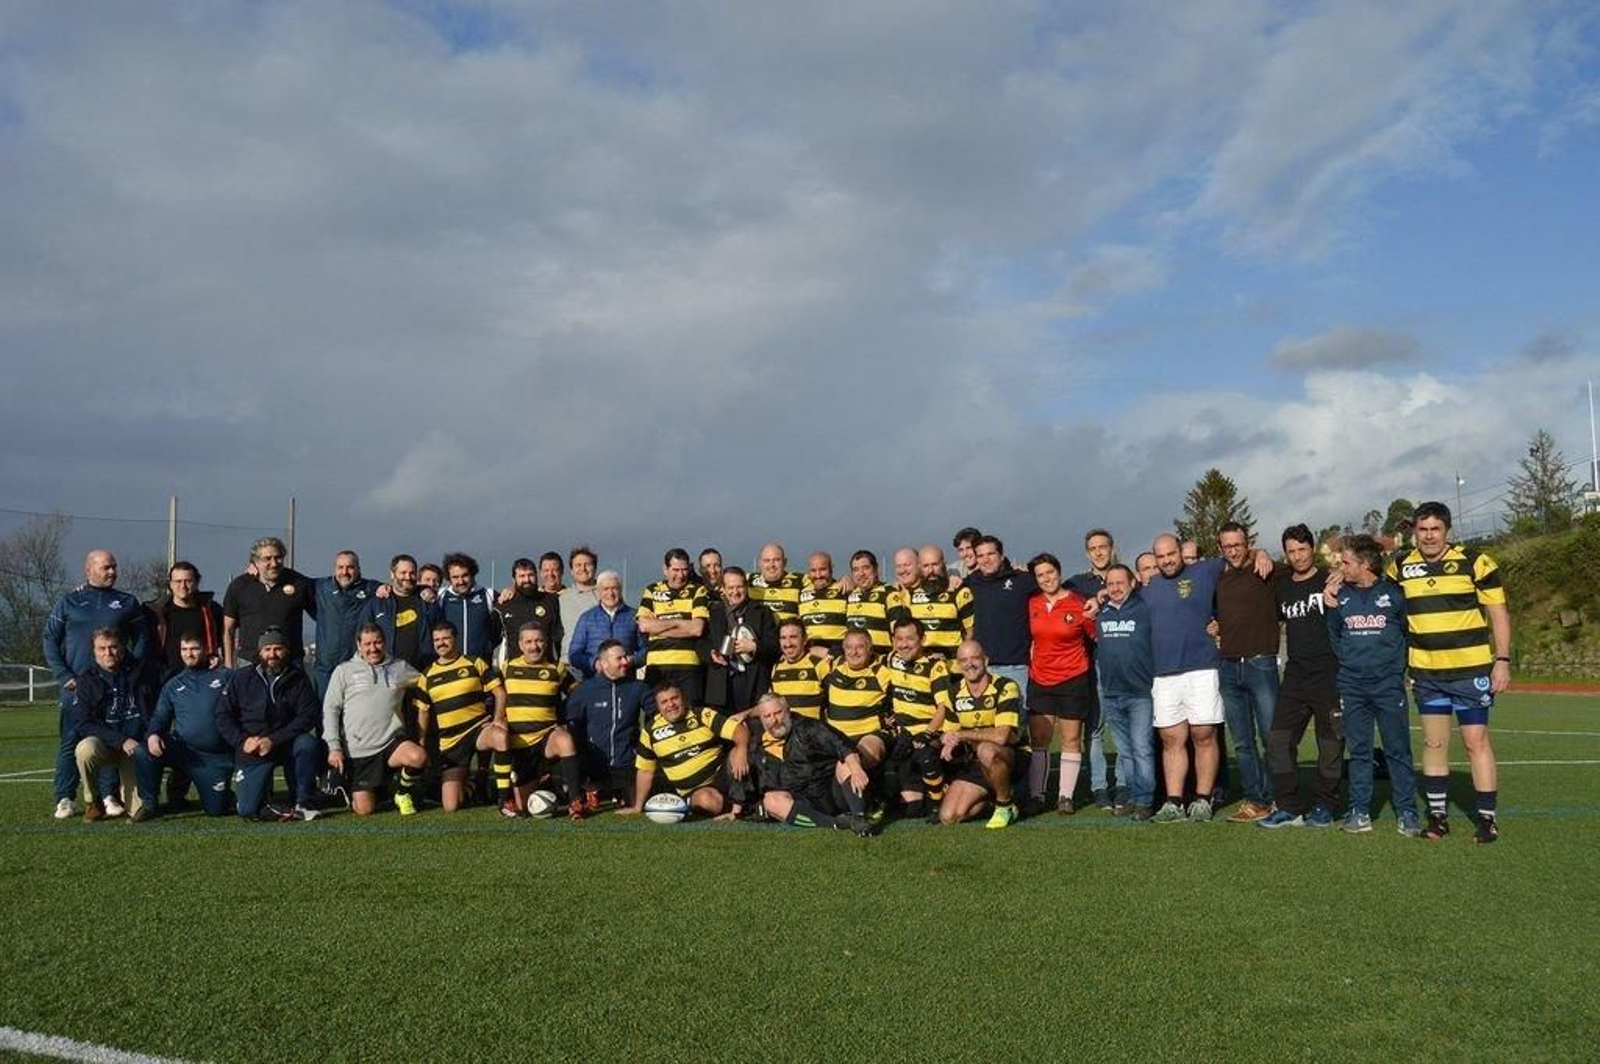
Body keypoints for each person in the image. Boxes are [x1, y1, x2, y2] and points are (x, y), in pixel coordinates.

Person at [1386, 501, 1511, 844]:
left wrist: (1502, 659)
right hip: (1426, 672)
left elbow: (1498, 612)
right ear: (1414, 531)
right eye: (1422, 530)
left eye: (1435, 529)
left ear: (1447, 531)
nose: (1428, 536)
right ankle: (1438, 817)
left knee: (1475, 742)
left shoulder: (1475, 562)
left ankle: (1487, 820)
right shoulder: (1399, 566)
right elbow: (1382, 601)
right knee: (1434, 742)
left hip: (1470, 671)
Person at [1144, 533, 1271, 823]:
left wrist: (1261, 554)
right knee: (1171, 738)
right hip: (1164, 674)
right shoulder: (1148, 587)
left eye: (1171, 554)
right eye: (1161, 556)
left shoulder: (1203, 571)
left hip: (1202, 668)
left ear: (1180, 551)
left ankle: (1203, 798)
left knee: (1204, 734)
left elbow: (1236, 552)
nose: (1167, 560)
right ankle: (1174, 801)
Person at [1325, 535, 1418, 836]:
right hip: (1352, 686)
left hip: (1388, 686)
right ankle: (1360, 812)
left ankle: (1407, 812)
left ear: (1364, 564)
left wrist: (1393, 671)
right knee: (1360, 751)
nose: (1342, 566)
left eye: (1347, 561)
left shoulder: (1394, 595)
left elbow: (1407, 633)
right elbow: (1335, 636)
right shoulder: (1339, 597)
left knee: (1397, 750)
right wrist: (1353, 665)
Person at [43, 549, 147, 819]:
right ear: (89, 570)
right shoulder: (69, 601)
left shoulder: (127, 602)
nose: (112, 572)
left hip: (116, 686)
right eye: (106, 568)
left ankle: (110, 794)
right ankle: (65, 797)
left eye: (114, 567)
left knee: (112, 736)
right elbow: (49, 641)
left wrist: (130, 672)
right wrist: (65, 676)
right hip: (76, 687)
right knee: (71, 742)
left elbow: (143, 639)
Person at [1258, 525, 1343, 829]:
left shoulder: (1331, 580)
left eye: (1302, 549)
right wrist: (1261, 552)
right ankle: (1289, 807)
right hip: (1295, 674)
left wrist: (1342, 573)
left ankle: (1325, 805)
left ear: (1312, 548)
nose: (1297, 557)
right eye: (1291, 551)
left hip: (1330, 673)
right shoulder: (1283, 585)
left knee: (1330, 744)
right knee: (1278, 741)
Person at [216, 627, 323, 821]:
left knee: (307, 743)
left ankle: (303, 801)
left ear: (286, 651)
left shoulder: (298, 678)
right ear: (259, 652)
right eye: (267, 649)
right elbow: (223, 716)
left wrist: (273, 740)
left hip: (286, 743)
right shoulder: (241, 678)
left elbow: (308, 716)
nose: (272, 654)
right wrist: (242, 741)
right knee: (248, 810)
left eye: (278, 648)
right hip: (253, 747)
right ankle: (271, 804)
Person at [323, 624, 428, 817]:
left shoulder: (399, 667)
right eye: (367, 644)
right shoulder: (344, 671)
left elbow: (426, 682)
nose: (373, 648)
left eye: (378, 642)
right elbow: (330, 709)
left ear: (385, 642)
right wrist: (334, 747)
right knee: (365, 810)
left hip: (391, 743)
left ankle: (401, 792)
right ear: (359, 645)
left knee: (417, 757)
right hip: (359, 751)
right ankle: (367, 788)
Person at [1213, 522, 1279, 823]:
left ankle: (1278, 797)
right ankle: (1255, 800)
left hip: (1260, 663)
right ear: (1220, 548)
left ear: (1248, 543)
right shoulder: (1216, 577)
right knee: (1242, 740)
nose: (1233, 551)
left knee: (1270, 736)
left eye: (1238, 545)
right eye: (1227, 546)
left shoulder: (1265, 569)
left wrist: (1263, 553)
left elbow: (1304, 574)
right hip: (1228, 666)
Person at [411, 620, 509, 813]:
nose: (441, 643)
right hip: (451, 742)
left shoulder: (474, 662)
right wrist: (421, 742)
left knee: (500, 736)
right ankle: (476, 785)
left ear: (455, 639)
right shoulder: (427, 676)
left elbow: (500, 693)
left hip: (478, 728)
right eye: (436, 640)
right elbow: (423, 712)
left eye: (446, 638)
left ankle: (505, 799)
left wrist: (497, 719)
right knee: (451, 805)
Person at [1025, 552, 1097, 815]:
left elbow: (1096, 636)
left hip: (1073, 679)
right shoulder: (1031, 602)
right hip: (1040, 679)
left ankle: (1065, 797)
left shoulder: (1078, 603)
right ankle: (1036, 795)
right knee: (1040, 739)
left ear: (1059, 571)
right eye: (1040, 575)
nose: (1046, 578)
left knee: (1070, 738)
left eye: (1050, 572)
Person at [963, 535, 1037, 783]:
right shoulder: (971, 582)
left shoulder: (1022, 580)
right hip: (983, 671)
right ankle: (991, 785)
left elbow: (1053, 586)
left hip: (1016, 668)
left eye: (990, 554)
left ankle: (1024, 790)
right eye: (980, 555)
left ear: (1002, 554)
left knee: (1016, 733)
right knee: (986, 732)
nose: (985, 560)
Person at [619, 682, 751, 819]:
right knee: (708, 801)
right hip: (697, 791)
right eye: (664, 702)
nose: (671, 704)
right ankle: (740, 804)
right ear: (658, 707)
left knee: (738, 751)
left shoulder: (701, 714)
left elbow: (738, 731)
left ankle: (743, 802)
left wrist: (741, 749)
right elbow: (645, 771)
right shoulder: (650, 731)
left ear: (683, 698)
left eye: (674, 698)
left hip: (723, 776)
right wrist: (638, 806)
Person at [749, 693, 875, 836]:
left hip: (834, 792)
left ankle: (859, 818)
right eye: (768, 716)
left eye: (778, 713)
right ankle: (835, 823)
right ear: (761, 719)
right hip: (805, 802)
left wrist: (857, 770)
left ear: (787, 710)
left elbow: (842, 744)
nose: (774, 720)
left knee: (846, 763)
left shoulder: (809, 727)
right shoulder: (757, 744)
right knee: (771, 801)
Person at [495, 625, 583, 821]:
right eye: (528, 642)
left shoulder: (556, 668)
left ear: (546, 642)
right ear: (520, 645)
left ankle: (575, 802)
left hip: (546, 737)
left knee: (565, 740)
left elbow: (578, 695)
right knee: (523, 806)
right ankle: (546, 781)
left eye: (539, 641)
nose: (534, 646)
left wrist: (564, 721)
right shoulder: (507, 667)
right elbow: (494, 695)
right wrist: (496, 719)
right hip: (520, 745)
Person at [934, 640, 1025, 829]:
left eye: (975, 658)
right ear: (958, 665)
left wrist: (962, 735)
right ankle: (993, 798)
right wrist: (948, 740)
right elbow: (950, 731)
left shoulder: (1005, 686)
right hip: (976, 760)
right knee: (948, 817)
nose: (969, 664)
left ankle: (1004, 805)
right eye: (963, 660)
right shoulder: (953, 692)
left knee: (987, 749)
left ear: (986, 660)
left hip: (1011, 755)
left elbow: (1002, 736)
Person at [68, 628, 154, 823]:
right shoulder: (86, 680)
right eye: (102, 648)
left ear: (123, 648)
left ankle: (129, 797)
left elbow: (172, 677)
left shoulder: (142, 671)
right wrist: (121, 740)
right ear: (94, 651)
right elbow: (83, 723)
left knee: (139, 812)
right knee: (85, 749)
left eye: (113, 647)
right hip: (106, 745)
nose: (108, 653)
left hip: (135, 749)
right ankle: (93, 801)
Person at [145, 634, 234, 817]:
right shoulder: (173, 685)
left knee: (217, 810)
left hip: (215, 756)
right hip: (185, 751)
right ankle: (149, 804)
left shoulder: (225, 676)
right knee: (142, 750)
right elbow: (160, 717)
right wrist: (153, 734)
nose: (189, 654)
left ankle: (222, 794)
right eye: (184, 649)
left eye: (194, 648)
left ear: (206, 650)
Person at [1093, 564, 1157, 820]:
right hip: (1111, 692)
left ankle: (1145, 800)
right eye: (1111, 584)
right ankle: (1132, 794)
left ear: (1132, 583)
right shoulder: (1102, 612)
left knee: (1142, 748)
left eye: (1121, 582)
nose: (1116, 588)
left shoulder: (1144, 608)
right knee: (1126, 751)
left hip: (1139, 691)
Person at [565, 640, 655, 807]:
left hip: (626, 764)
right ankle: (588, 788)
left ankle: (615, 792)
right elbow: (570, 725)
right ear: (604, 663)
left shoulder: (639, 688)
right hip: (593, 765)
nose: (625, 662)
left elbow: (657, 717)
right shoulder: (584, 690)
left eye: (625, 657)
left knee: (636, 802)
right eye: (619, 658)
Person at [1066, 529, 1118, 810]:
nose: (1099, 552)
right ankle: (1099, 787)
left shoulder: (1125, 577)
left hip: (1123, 662)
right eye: (1093, 548)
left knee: (1123, 728)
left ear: (1112, 548)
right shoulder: (1075, 583)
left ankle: (1123, 785)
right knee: (1095, 728)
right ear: (1087, 553)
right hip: (1091, 661)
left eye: (1103, 546)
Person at [882, 617, 954, 819]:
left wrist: (927, 733)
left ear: (922, 639)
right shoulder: (890, 659)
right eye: (899, 639)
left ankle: (938, 799)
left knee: (926, 755)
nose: (903, 644)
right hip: (903, 735)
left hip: (928, 732)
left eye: (910, 639)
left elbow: (943, 707)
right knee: (911, 810)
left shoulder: (935, 666)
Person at [221, 537, 311, 669]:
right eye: (267, 559)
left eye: (278, 557)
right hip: (249, 663)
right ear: (255, 561)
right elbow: (228, 629)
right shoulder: (239, 586)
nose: (274, 563)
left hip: (290, 663)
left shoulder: (299, 583)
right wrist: (229, 666)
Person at [636, 548, 710, 704]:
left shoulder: (697, 590)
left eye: (684, 570)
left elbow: (697, 629)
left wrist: (660, 627)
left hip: (688, 666)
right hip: (657, 667)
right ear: (665, 569)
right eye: (675, 570)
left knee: (691, 714)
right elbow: (644, 626)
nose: (681, 575)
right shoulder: (652, 590)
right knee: (657, 716)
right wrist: (679, 622)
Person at [822, 628, 896, 781]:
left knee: (848, 765)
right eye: (849, 647)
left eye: (860, 647)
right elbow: (811, 652)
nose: (853, 652)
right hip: (836, 738)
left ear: (870, 649)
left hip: (868, 735)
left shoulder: (882, 673)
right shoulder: (834, 666)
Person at [309, 551, 382, 699]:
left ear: (358, 569)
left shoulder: (371, 588)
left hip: (357, 667)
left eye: (350, 567)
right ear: (334, 569)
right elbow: (292, 579)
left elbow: (400, 590)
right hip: (325, 669)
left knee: (355, 715)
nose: (345, 572)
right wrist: (255, 567)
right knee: (325, 715)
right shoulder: (321, 587)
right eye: (340, 567)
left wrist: (423, 590)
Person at [705, 567, 779, 714]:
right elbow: (702, 643)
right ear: (724, 590)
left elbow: (775, 646)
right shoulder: (714, 613)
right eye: (730, 588)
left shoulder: (762, 612)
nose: (735, 592)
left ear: (746, 587)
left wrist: (755, 646)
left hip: (753, 683)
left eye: (739, 587)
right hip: (721, 685)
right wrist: (711, 654)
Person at [889, 547, 975, 660]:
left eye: (935, 564)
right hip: (924, 667)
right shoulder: (907, 596)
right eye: (926, 566)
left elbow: (970, 631)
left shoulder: (959, 592)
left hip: (953, 665)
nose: (931, 570)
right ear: (920, 567)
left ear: (944, 565)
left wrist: (963, 657)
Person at [361, 554, 439, 670]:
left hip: (423, 672)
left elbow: (440, 631)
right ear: (392, 574)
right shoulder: (376, 603)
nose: (408, 577)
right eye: (403, 573)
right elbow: (361, 636)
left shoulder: (427, 601)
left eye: (412, 573)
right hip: (386, 673)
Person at [146, 561, 224, 678]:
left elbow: (224, 637)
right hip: (166, 676)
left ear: (197, 583)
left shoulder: (211, 610)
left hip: (203, 675)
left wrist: (218, 658)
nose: (183, 586)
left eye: (188, 581)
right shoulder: (156, 612)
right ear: (170, 584)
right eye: (178, 581)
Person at [567, 571, 643, 679]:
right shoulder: (587, 618)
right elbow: (574, 654)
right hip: (594, 681)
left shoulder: (634, 617)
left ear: (620, 590)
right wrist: (594, 663)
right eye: (605, 589)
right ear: (598, 592)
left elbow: (646, 650)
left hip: (626, 682)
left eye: (614, 588)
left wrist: (631, 660)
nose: (610, 594)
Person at [495, 557, 563, 664]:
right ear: (514, 579)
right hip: (514, 672)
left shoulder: (551, 601)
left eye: (530, 575)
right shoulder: (503, 605)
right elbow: (493, 640)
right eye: (522, 576)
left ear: (536, 576)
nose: (527, 580)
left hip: (546, 670)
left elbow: (559, 637)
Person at [437, 552, 502, 661]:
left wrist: (511, 588)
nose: (461, 581)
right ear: (449, 578)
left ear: (472, 574)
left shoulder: (488, 594)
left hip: (481, 666)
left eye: (465, 575)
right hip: (452, 666)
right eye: (455, 577)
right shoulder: (441, 596)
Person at [770, 619, 829, 721]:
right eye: (783, 638)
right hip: (787, 733)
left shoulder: (819, 665)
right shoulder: (776, 668)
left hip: (813, 733)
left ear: (805, 639)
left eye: (793, 637)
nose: (788, 644)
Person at [797, 551, 849, 657]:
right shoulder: (801, 593)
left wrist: (848, 578)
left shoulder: (843, 590)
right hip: (809, 656)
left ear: (832, 568)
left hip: (837, 657)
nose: (818, 575)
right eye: (813, 570)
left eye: (823, 569)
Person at [844, 550, 894, 657]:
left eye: (866, 568)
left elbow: (899, 633)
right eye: (856, 570)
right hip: (854, 661)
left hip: (880, 661)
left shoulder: (889, 593)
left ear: (876, 569)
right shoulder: (848, 595)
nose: (861, 573)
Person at [558, 546, 600, 662]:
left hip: (600, 663)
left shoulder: (608, 593)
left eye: (587, 564)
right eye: (578, 565)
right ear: (571, 570)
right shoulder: (561, 598)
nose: (583, 569)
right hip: (570, 663)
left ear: (595, 568)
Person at [749, 542, 806, 622]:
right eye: (767, 560)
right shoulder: (749, 580)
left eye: (776, 560)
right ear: (760, 563)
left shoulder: (800, 581)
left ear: (785, 562)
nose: (771, 565)